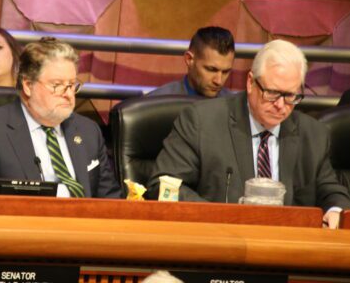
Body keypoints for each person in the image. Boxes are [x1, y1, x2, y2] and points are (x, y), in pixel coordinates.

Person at [146, 39, 350, 228]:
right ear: (251, 82)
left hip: (287, 251)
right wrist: (219, 216)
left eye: (290, 96)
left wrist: (335, 210)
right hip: (220, 246)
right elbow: (163, 184)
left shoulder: (313, 134)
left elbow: (331, 191)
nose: (280, 105)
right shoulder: (202, 122)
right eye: (272, 93)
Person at [0, 37, 122, 198]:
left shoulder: (88, 131)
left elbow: (110, 200)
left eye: (71, 85)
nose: (69, 94)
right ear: (28, 85)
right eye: (57, 85)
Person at [147, 26, 235, 98]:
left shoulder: (236, 108)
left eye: (225, 72)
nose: (218, 81)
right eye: (211, 69)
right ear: (189, 59)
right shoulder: (156, 103)